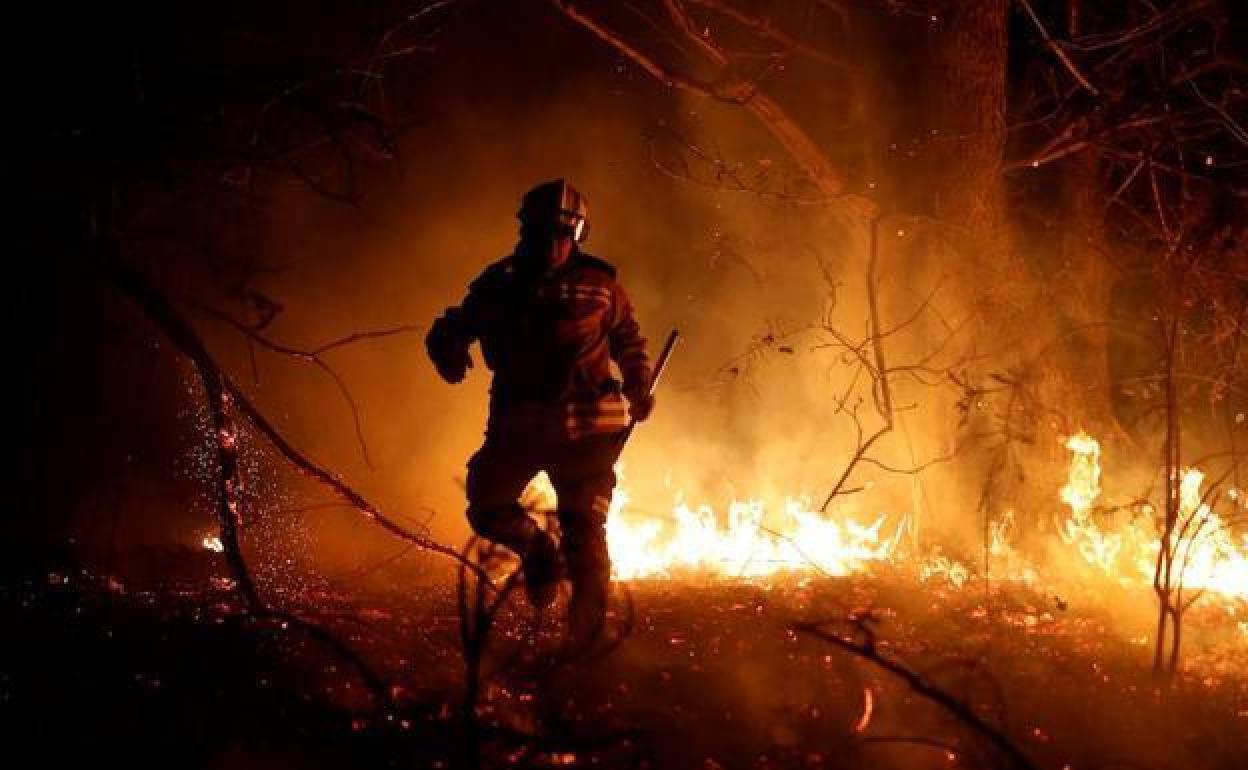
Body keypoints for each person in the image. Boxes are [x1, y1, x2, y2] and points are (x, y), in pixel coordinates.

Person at [426, 178, 653, 645]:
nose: (553, 246)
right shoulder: (498, 286)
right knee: (487, 506)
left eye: (564, 235)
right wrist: (447, 351)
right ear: (525, 232)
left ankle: (582, 649)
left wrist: (639, 386)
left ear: (578, 236)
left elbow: (628, 339)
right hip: (519, 427)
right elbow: (451, 328)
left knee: (586, 540)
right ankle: (538, 552)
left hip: (588, 433)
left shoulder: (601, 285)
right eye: (542, 234)